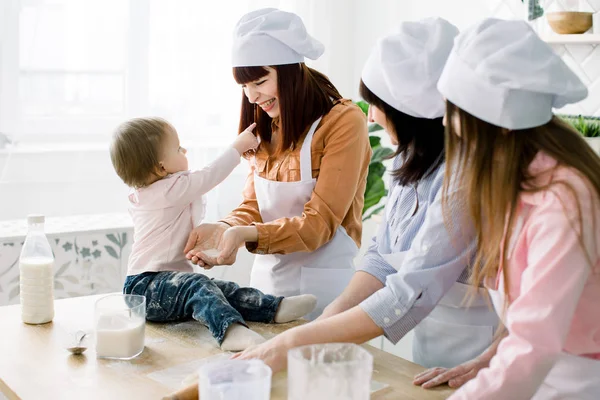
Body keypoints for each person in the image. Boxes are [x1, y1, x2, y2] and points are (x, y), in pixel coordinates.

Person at [231, 18, 499, 372]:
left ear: (410, 111)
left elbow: (412, 286)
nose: (369, 117)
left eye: (376, 104)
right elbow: (382, 258)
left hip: (488, 352)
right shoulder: (410, 160)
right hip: (431, 350)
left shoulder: (465, 177)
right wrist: (321, 324)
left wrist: (300, 340)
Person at [425, 18, 600, 399]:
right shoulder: (515, 179)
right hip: (536, 377)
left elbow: (537, 342)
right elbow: (530, 309)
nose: (445, 121)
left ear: (498, 124)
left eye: (454, 110)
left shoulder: (565, 200)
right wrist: (489, 357)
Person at [184, 8, 371, 320]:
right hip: (265, 290)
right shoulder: (265, 124)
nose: (252, 96)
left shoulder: (343, 122)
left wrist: (246, 235)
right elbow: (254, 204)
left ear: (291, 70)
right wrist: (226, 227)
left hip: (324, 299)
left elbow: (318, 225)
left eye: (260, 81)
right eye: (244, 86)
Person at [109, 117, 317, 352]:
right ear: (161, 167)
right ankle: (228, 330)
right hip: (145, 288)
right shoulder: (166, 190)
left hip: (162, 284)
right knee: (198, 285)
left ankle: (272, 308)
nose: (184, 150)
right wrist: (237, 148)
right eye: (178, 148)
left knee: (218, 288)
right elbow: (210, 175)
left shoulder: (160, 191)